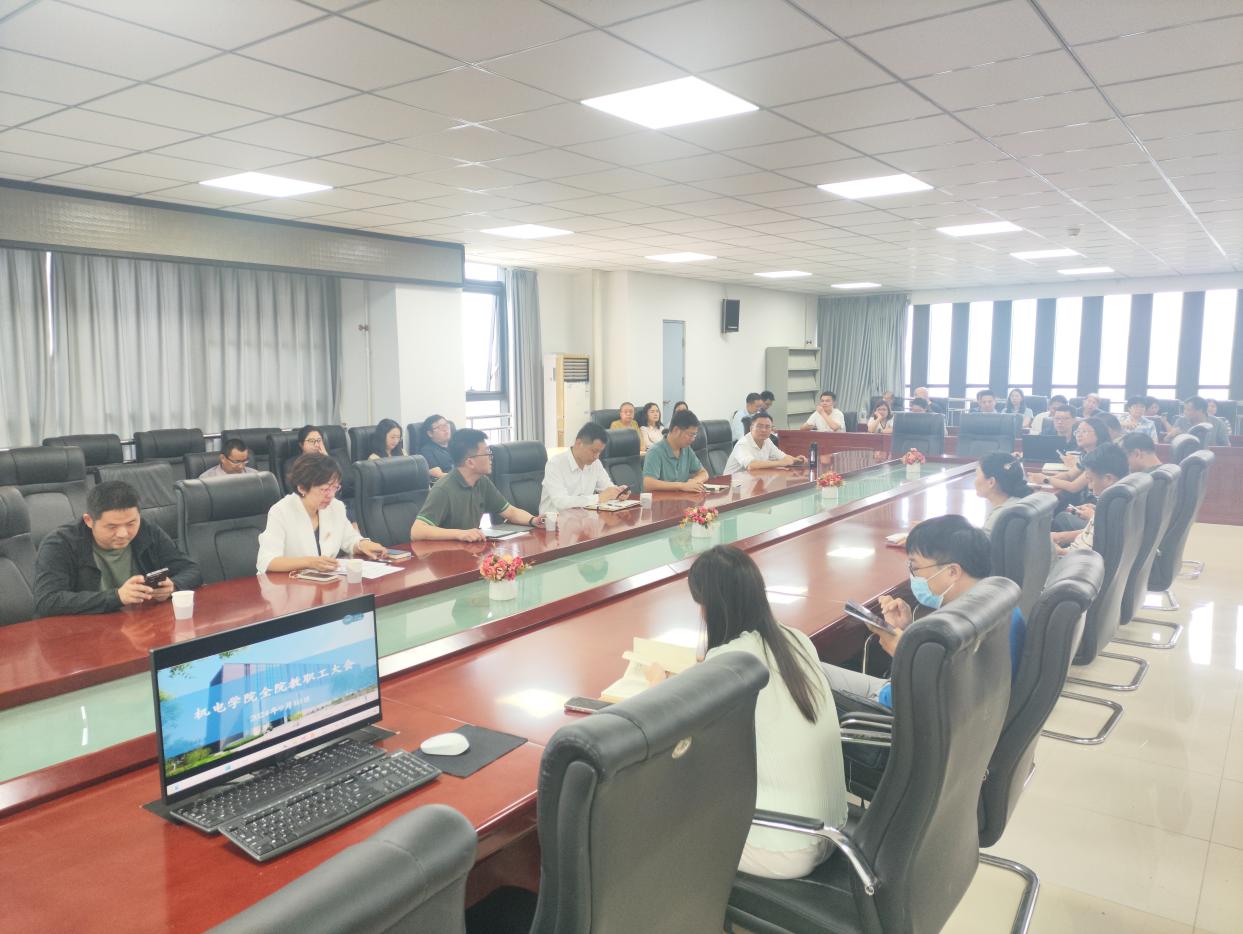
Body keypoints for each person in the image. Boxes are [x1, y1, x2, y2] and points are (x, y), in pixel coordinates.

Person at [689, 546, 846, 879]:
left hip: (787, 845)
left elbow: (693, 742)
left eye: (701, 603)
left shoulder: (730, 662)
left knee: (667, 827)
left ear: (714, 606)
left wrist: (661, 686)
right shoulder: (795, 638)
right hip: (833, 832)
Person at [821, 515, 1025, 709]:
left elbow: (939, 700)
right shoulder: (999, 605)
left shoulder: (958, 628)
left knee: (807, 676)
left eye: (915, 567)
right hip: (910, 699)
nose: (913, 576)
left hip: (886, 713)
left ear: (952, 571)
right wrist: (908, 631)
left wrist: (904, 652)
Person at [33, 480, 202, 617]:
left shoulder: (147, 530)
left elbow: (192, 569)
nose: (123, 534)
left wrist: (173, 586)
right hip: (85, 630)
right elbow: (48, 601)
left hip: (139, 623)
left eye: (131, 523)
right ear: (89, 521)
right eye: (112, 526)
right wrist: (117, 597)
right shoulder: (60, 543)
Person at [256, 453, 385, 573]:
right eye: (324, 489)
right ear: (302, 488)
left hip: (326, 582)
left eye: (335, 487)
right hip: (289, 585)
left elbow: (349, 539)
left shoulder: (336, 507)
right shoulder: (281, 511)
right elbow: (267, 561)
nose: (331, 495)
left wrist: (363, 544)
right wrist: (309, 562)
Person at [410, 429, 545, 542]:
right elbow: (417, 531)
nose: (491, 458)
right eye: (487, 453)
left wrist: (533, 520)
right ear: (470, 462)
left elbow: (510, 512)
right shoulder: (444, 489)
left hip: (469, 551)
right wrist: (459, 534)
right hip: (445, 557)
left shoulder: (482, 481)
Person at [1052, 443, 1127, 555]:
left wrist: (1058, 551)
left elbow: (1087, 559)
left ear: (1108, 478)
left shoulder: (1111, 510)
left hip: (1072, 562)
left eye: (1091, 480)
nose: (1090, 487)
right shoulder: (1119, 500)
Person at [540, 422, 626, 513]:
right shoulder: (555, 464)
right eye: (594, 451)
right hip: (554, 520)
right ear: (578, 443)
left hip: (583, 518)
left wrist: (618, 492)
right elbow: (561, 502)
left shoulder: (595, 463)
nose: (596, 456)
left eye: (600, 452)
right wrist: (598, 498)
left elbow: (607, 488)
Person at [641, 409, 709, 493]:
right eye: (690, 435)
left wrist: (694, 482)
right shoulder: (655, 451)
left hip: (681, 499)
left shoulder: (686, 449)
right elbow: (648, 484)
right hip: (662, 500)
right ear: (676, 430)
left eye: (694, 435)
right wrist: (682, 486)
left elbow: (704, 473)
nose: (693, 439)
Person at [724, 412, 807, 475]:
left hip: (752, 480)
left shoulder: (767, 441)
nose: (763, 430)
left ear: (771, 429)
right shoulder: (742, 444)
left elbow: (782, 456)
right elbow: (751, 465)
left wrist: (796, 460)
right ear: (751, 428)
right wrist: (781, 463)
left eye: (767, 427)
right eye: (759, 426)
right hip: (731, 485)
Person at [974, 452, 1031, 534]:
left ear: (991, 482)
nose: (975, 481)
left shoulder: (999, 518)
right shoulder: (1020, 502)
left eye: (977, 475)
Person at [418, 414, 454, 479]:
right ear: (430, 433)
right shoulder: (427, 451)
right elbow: (439, 475)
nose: (445, 429)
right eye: (440, 427)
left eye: (446, 425)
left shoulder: (457, 445)